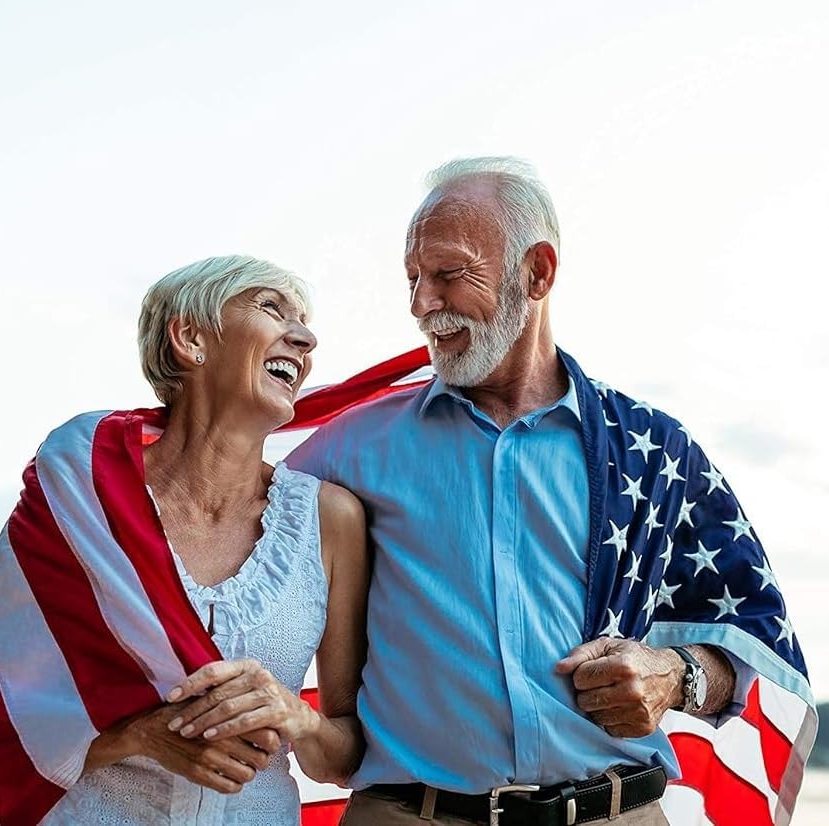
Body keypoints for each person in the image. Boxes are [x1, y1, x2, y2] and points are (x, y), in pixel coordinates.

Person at [285, 157, 813, 825]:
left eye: (448, 274)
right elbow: (206, 525)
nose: (421, 304)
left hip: (618, 812)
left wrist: (674, 674)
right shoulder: (346, 449)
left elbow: (749, 643)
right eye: (413, 280)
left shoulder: (652, 452)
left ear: (536, 272)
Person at [0, 256, 368, 826]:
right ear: (190, 338)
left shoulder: (330, 520)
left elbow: (346, 754)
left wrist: (297, 716)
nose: (305, 338)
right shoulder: (80, 495)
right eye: (270, 307)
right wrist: (142, 736)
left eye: (305, 322)